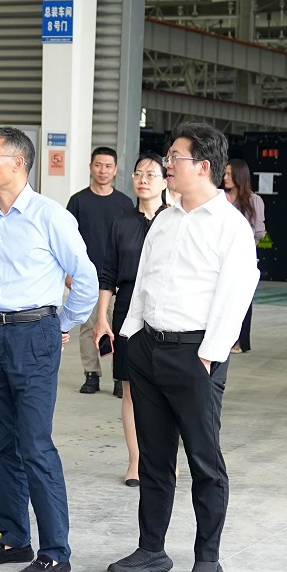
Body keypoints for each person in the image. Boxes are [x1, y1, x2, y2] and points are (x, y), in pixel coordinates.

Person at [107, 123, 259, 572]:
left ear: (203, 166)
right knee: (154, 458)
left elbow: (237, 293)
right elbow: (145, 279)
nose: (166, 164)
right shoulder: (166, 219)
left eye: (175, 157)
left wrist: (210, 356)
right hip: (148, 348)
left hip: (196, 355)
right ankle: (151, 549)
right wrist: (132, 333)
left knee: (203, 461)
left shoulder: (230, 225)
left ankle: (208, 560)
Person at [0, 126, 97, 572]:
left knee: (35, 444)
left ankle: (55, 551)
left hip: (34, 334)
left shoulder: (49, 216)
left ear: (18, 163)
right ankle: (13, 537)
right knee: (0, 443)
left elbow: (85, 279)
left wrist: (61, 324)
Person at [92, 153, 169, 487]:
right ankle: (136, 462)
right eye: (139, 174)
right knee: (130, 390)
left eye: (151, 174)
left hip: (166, 311)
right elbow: (108, 273)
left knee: (166, 391)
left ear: (166, 181)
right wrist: (102, 317)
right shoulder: (121, 223)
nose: (143, 180)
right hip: (126, 310)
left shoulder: (176, 220)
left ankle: (164, 462)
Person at [66, 147, 133, 396]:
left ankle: (119, 377)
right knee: (88, 327)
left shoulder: (125, 203)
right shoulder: (78, 201)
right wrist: (67, 273)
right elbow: (66, 241)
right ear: (90, 167)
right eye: (98, 165)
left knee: (119, 328)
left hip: (117, 279)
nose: (103, 171)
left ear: (115, 170)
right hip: (86, 279)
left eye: (108, 166)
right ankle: (91, 374)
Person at [223, 158, 266, 354]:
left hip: (243, 259)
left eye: (229, 174)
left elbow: (259, 231)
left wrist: (246, 247)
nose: (225, 177)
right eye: (224, 173)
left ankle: (240, 342)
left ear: (239, 176)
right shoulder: (220, 198)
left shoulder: (253, 200)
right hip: (221, 257)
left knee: (242, 301)